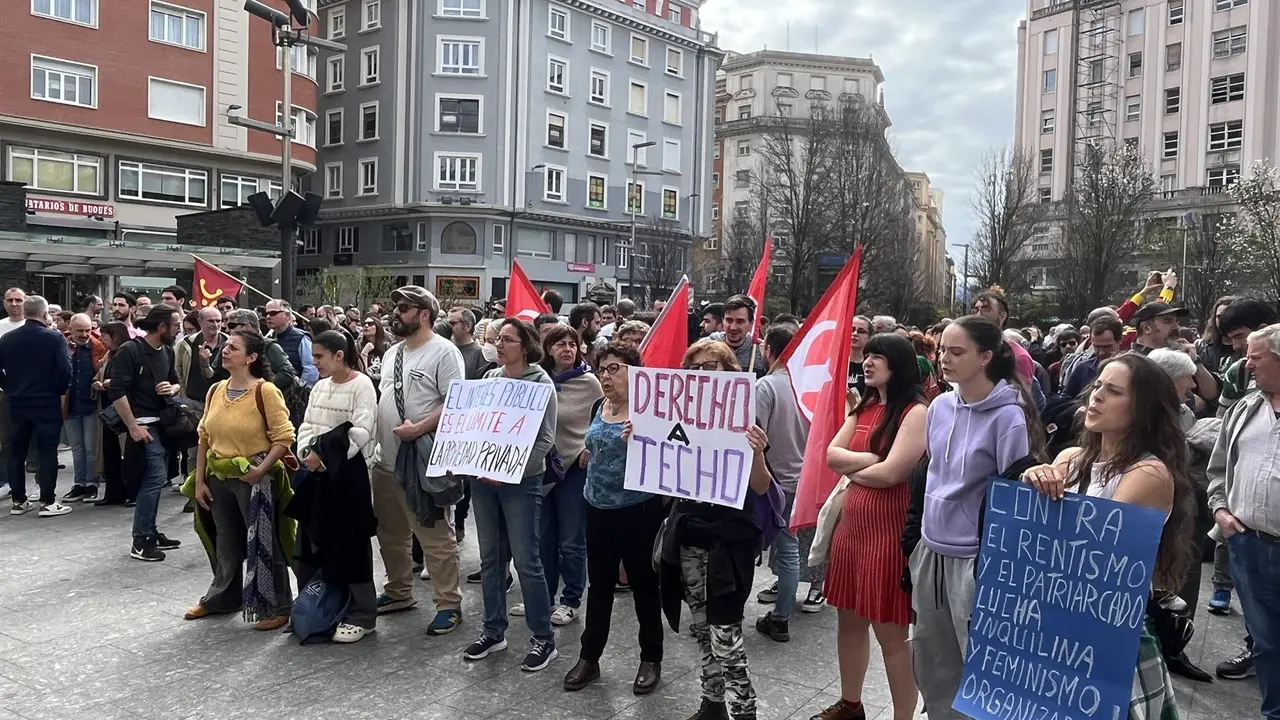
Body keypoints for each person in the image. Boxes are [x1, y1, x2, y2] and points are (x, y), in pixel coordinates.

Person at [1023, 353, 1195, 720]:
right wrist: (1032, 482)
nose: (1096, 396)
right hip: (1055, 624)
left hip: (1107, 634)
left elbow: (1091, 549)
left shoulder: (1148, 472)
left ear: (1144, 409)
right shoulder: (1070, 457)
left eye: (1114, 391)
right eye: (1098, 385)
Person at [907, 315, 1040, 720]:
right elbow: (931, 472)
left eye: (956, 351)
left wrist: (991, 564)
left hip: (974, 559)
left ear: (985, 357)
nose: (944, 359)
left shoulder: (1008, 417)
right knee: (932, 659)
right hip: (930, 551)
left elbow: (1013, 496)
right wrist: (914, 542)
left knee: (979, 662)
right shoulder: (939, 406)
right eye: (942, 350)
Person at [656, 339, 772, 720]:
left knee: (725, 635)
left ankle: (744, 711)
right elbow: (663, 483)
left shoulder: (743, 422)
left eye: (710, 366)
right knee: (702, 628)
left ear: (729, 372)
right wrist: (642, 440)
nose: (702, 374)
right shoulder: (676, 419)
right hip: (689, 539)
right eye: (694, 368)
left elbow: (760, 487)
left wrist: (757, 452)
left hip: (727, 545)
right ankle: (713, 703)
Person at [814, 333, 927, 720]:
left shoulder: (915, 412)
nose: (868, 361)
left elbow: (893, 474)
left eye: (879, 356)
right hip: (851, 533)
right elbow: (832, 455)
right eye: (868, 355)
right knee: (848, 623)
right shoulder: (863, 407)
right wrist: (873, 461)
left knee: (892, 637)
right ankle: (851, 704)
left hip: (888, 535)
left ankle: (902, 717)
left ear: (899, 364)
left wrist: (859, 467)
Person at [562, 342, 665, 694]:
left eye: (614, 369)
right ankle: (589, 658)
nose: (606, 376)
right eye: (601, 369)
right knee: (600, 586)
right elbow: (594, 441)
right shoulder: (599, 406)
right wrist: (589, 451)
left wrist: (643, 438)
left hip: (637, 510)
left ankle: (651, 658)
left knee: (644, 586)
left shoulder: (649, 412)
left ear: (635, 374)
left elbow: (665, 455)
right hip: (597, 508)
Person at [463, 318, 560, 672]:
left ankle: (543, 638)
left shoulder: (541, 383)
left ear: (526, 345)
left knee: (526, 560)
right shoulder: (490, 379)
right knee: (490, 558)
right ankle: (493, 630)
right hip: (483, 479)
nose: (499, 345)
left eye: (507, 339)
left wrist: (511, 470)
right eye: (497, 339)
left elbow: (545, 438)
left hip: (521, 482)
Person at [185, 330, 297, 630]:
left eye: (234, 347)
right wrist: (199, 480)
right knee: (225, 539)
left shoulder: (265, 391)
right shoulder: (216, 389)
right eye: (226, 346)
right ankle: (222, 597)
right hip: (218, 476)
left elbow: (284, 437)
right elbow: (203, 437)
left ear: (251, 357)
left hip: (253, 478)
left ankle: (277, 606)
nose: (225, 350)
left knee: (264, 540)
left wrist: (261, 471)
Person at [372, 286, 466, 636]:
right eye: (396, 307)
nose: (396, 313)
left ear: (424, 314)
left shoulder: (444, 352)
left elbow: (456, 401)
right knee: (390, 533)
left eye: (404, 308)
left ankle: (448, 604)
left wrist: (420, 428)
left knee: (434, 535)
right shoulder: (393, 352)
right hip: (386, 460)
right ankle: (399, 591)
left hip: (423, 462)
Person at [1207, 323, 1280, 716]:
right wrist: (1221, 510)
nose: (1246, 364)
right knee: (1266, 643)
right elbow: (1218, 469)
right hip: (1248, 545)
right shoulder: (1243, 409)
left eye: (1255, 357)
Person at [291, 330, 380, 643]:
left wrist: (323, 454)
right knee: (312, 539)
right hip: (316, 473)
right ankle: (317, 605)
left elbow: (360, 430)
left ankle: (363, 614)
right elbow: (307, 424)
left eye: (319, 356)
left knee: (351, 544)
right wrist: (307, 452)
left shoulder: (362, 385)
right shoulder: (320, 386)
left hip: (348, 475)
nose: (315, 362)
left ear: (339, 355)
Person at [513, 326, 599, 627]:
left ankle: (570, 600)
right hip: (541, 467)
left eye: (572, 344)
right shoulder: (537, 380)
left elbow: (604, 417)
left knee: (572, 540)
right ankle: (544, 597)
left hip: (574, 467)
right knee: (543, 538)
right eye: (560, 344)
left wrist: (591, 446)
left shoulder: (589, 383)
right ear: (548, 348)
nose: (567, 349)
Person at [754, 324, 822, 644]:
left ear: (769, 350)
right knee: (789, 547)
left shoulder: (766, 386)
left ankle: (780, 617)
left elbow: (755, 434)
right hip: (802, 479)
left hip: (771, 480)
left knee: (781, 549)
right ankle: (781, 613)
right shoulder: (810, 385)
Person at [109, 305, 185, 561]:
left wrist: (171, 389)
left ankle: (149, 531)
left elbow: (176, 382)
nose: (178, 330)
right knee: (154, 478)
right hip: (143, 426)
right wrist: (133, 426)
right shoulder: (130, 350)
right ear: (162, 327)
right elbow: (116, 391)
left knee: (157, 479)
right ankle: (141, 540)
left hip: (163, 424)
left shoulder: (167, 351)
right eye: (175, 326)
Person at [1, 295, 73, 517]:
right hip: (45, 401)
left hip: (16, 401)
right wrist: (58, 389)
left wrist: (10, 388)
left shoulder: (7, 338)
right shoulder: (54, 338)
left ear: (25, 312)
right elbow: (64, 370)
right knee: (47, 452)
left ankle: (18, 501)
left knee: (16, 452)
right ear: (45, 313)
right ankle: (47, 501)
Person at [63, 314, 104, 503]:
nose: (84, 334)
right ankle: (79, 484)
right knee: (77, 449)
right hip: (70, 404)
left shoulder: (98, 347)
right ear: (71, 330)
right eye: (80, 330)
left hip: (91, 404)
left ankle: (91, 484)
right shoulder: (63, 346)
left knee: (90, 448)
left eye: (88, 330)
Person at [92, 322, 132, 507]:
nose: (102, 340)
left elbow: (129, 380)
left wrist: (110, 383)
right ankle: (113, 492)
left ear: (115, 336)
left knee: (126, 453)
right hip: (108, 411)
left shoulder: (127, 354)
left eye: (104, 337)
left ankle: (130, 491)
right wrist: (97, 382)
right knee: (110, 452)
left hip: (124, 410)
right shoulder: (108, 355)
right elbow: (100, 374)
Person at [709, 294, 764, 376]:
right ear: (723, 320)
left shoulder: (762, 352)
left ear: (750, 323)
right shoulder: (706, 346)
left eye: (740, 321)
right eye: (729, 320)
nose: (733, 327)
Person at [448, 307, 490, 381]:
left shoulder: (480, 354)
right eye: (447, 323)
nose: (448, 327)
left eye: (452, 323)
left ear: (468, 327)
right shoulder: (444, 350)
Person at [360, 313, 391, 384]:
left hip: (382, 383)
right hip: (366, 384)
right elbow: (361, 373)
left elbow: (389, 371)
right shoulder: (359, 346)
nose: (366, 326)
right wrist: (364, 353)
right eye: (364, 324)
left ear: (378, 327)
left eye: (370, 324)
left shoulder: (387, 346)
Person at [848, 315, 871, 397]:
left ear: (869, 337)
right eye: (852, 329)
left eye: (861, 331)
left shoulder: (870, 364)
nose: (855, 334)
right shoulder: (834, 362)